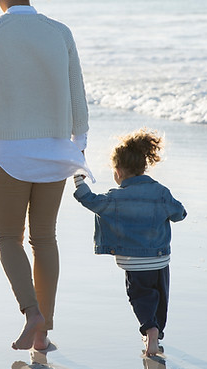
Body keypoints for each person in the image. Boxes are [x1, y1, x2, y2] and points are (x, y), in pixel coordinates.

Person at [0, 0, 92, 350]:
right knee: (45, 238)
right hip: (56, 150)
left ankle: (32, 313)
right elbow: (78, 96)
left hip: (11, 151)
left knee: (9, 238)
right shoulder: (60, 32)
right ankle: (42, 336)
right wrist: (79, 145)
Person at [72, 129, 187, 357]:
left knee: (140, 296)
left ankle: (149, 329)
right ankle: (157, 331)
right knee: (160, 296)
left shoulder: (114, 197)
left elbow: (90, 200)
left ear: (119, 172)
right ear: (143, 167)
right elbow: (180, 214)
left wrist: (78, 180)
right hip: (159, 259)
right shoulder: (161, 192)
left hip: (133, 263)